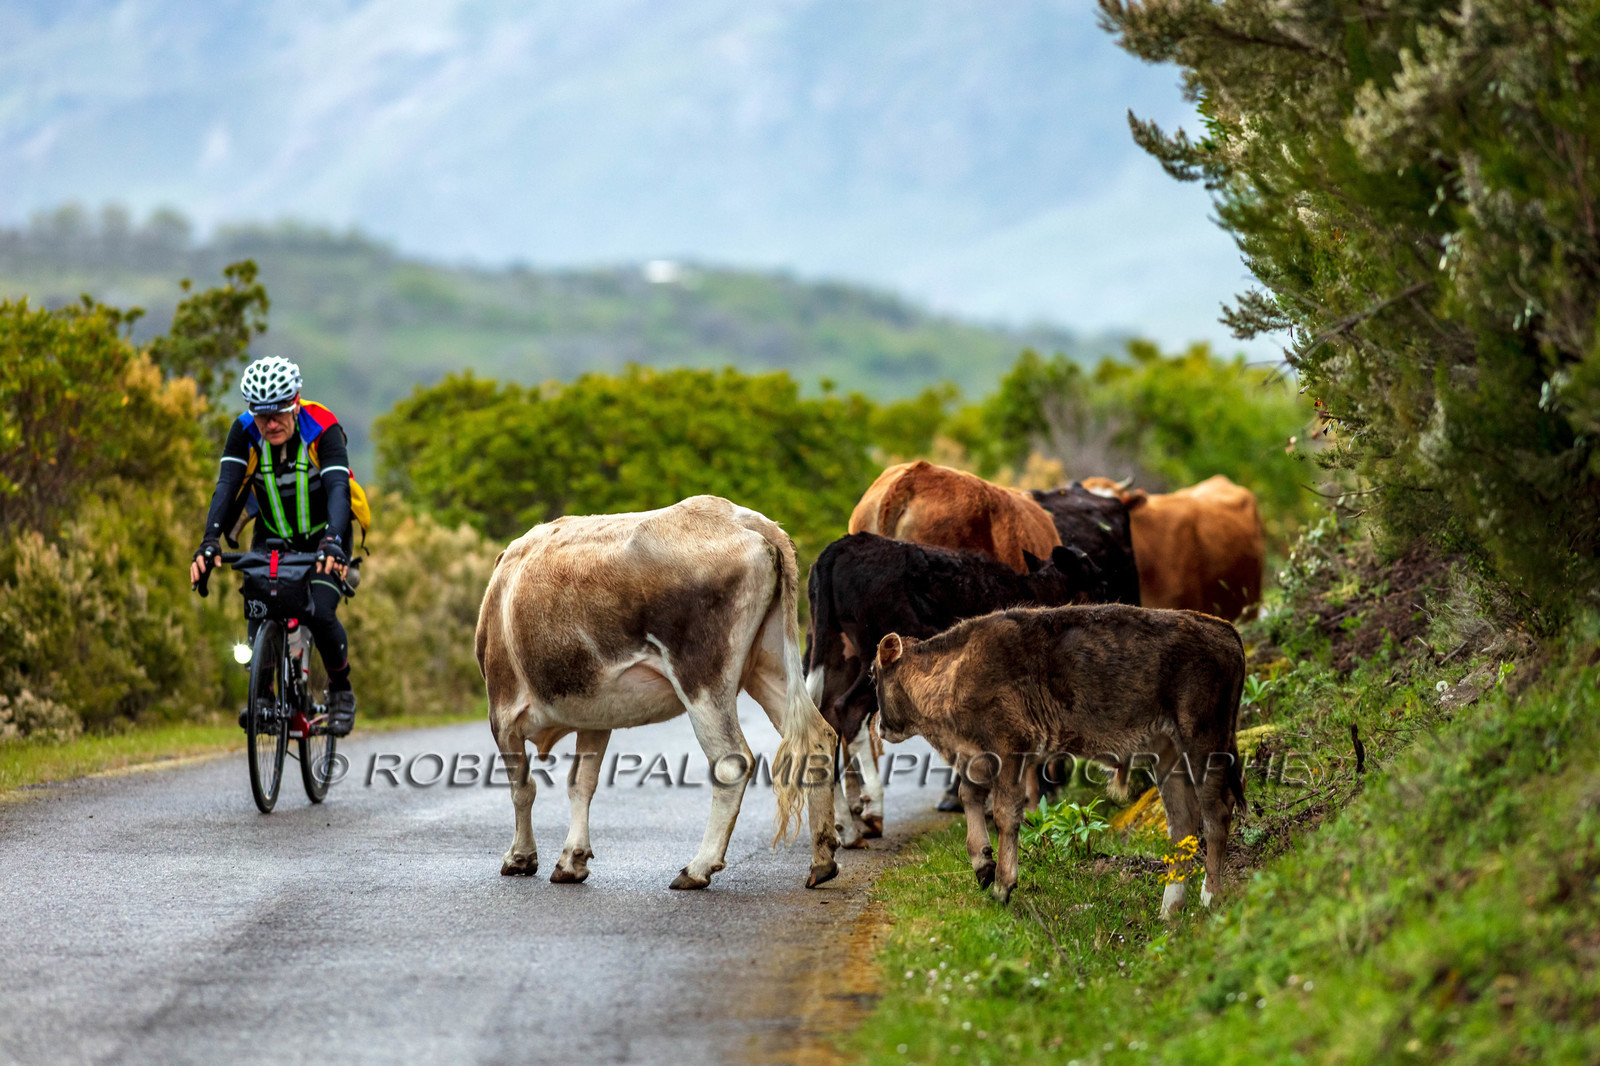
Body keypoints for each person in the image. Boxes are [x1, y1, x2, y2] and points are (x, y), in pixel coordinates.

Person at [190, 356, 359, 735]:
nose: (270, 424)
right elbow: (227, 485)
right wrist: (208, 542)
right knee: (259, 603)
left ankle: (341, 692)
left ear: (296, 400)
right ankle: (263, 693)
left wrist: (333, 542)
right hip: (272, 535)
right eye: (260, 414)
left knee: (319, 610)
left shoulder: (322, 426)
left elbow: (337, 487)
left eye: (279, 413)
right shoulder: (245, 431)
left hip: (324, 534)